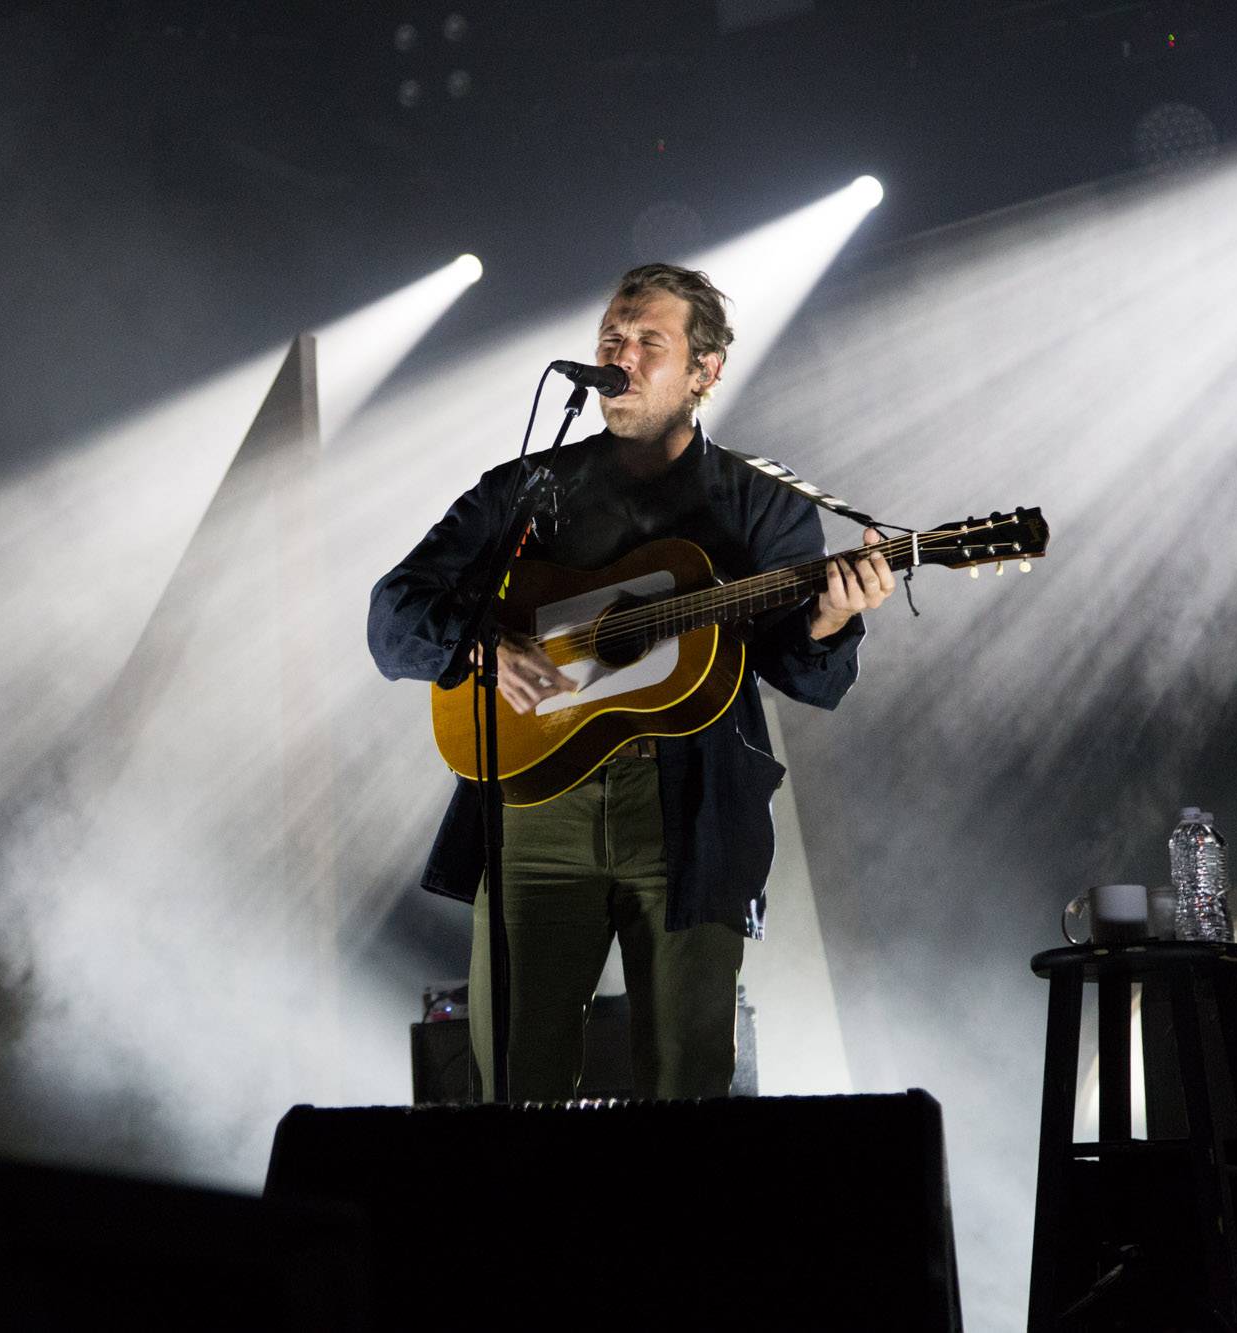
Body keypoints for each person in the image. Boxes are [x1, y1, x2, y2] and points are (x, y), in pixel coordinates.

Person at [368, 265, 893, 1102]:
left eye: (651, 341)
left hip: (687, 809)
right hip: (533, 811)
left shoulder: (761, 501)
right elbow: (392, 612)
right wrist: (481, 649)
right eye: (612, 338)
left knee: (686, 1089)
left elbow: (806, 672)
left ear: (704, 372)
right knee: (513, 1086)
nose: (623, 354)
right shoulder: (529, 488)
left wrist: (831, 619)